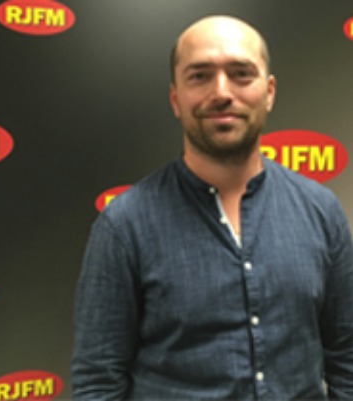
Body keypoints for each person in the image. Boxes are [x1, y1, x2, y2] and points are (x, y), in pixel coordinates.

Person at [72, 15, 353, 400]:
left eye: (241, 74)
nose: (221, 92)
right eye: (200, 76)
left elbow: (347, 355)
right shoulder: (124, 226)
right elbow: (98, 382)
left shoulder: (321, 211)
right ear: (176, 98)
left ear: (269, 92)